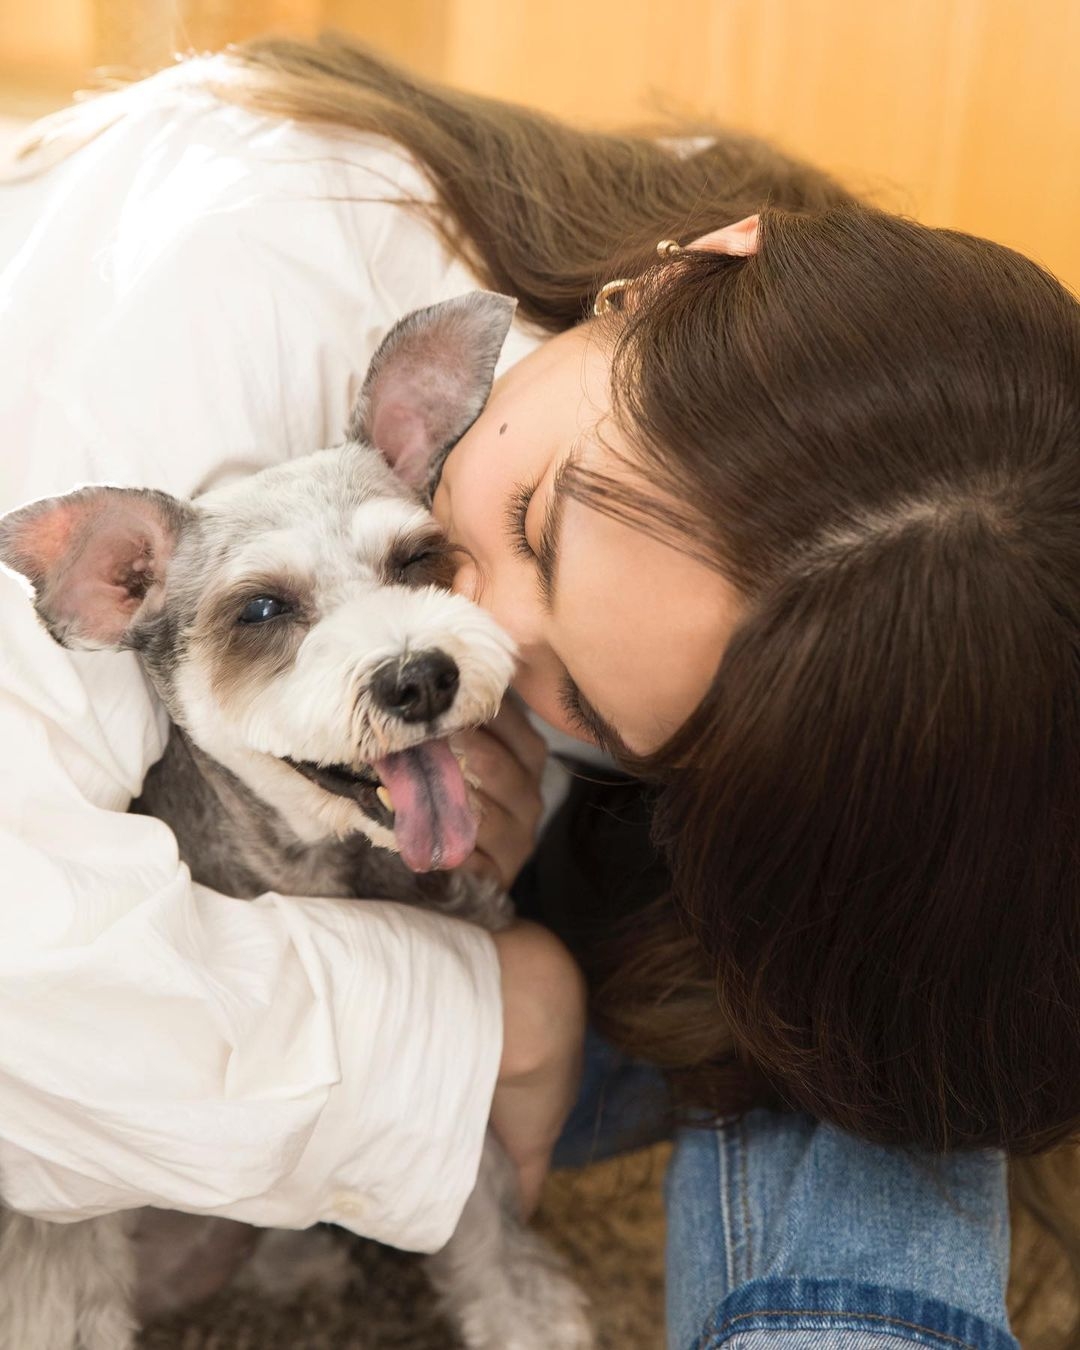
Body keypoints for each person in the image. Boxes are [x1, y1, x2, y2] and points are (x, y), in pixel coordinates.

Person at [3, 33, 1078, 1348]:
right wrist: (495, 1016)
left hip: (467, 932)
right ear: (676, 275)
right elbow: (30, 998)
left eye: (589, 700)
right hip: (252, 962)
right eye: (530, 514)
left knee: (886, 911)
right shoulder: (212, 279)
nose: (476, 649)